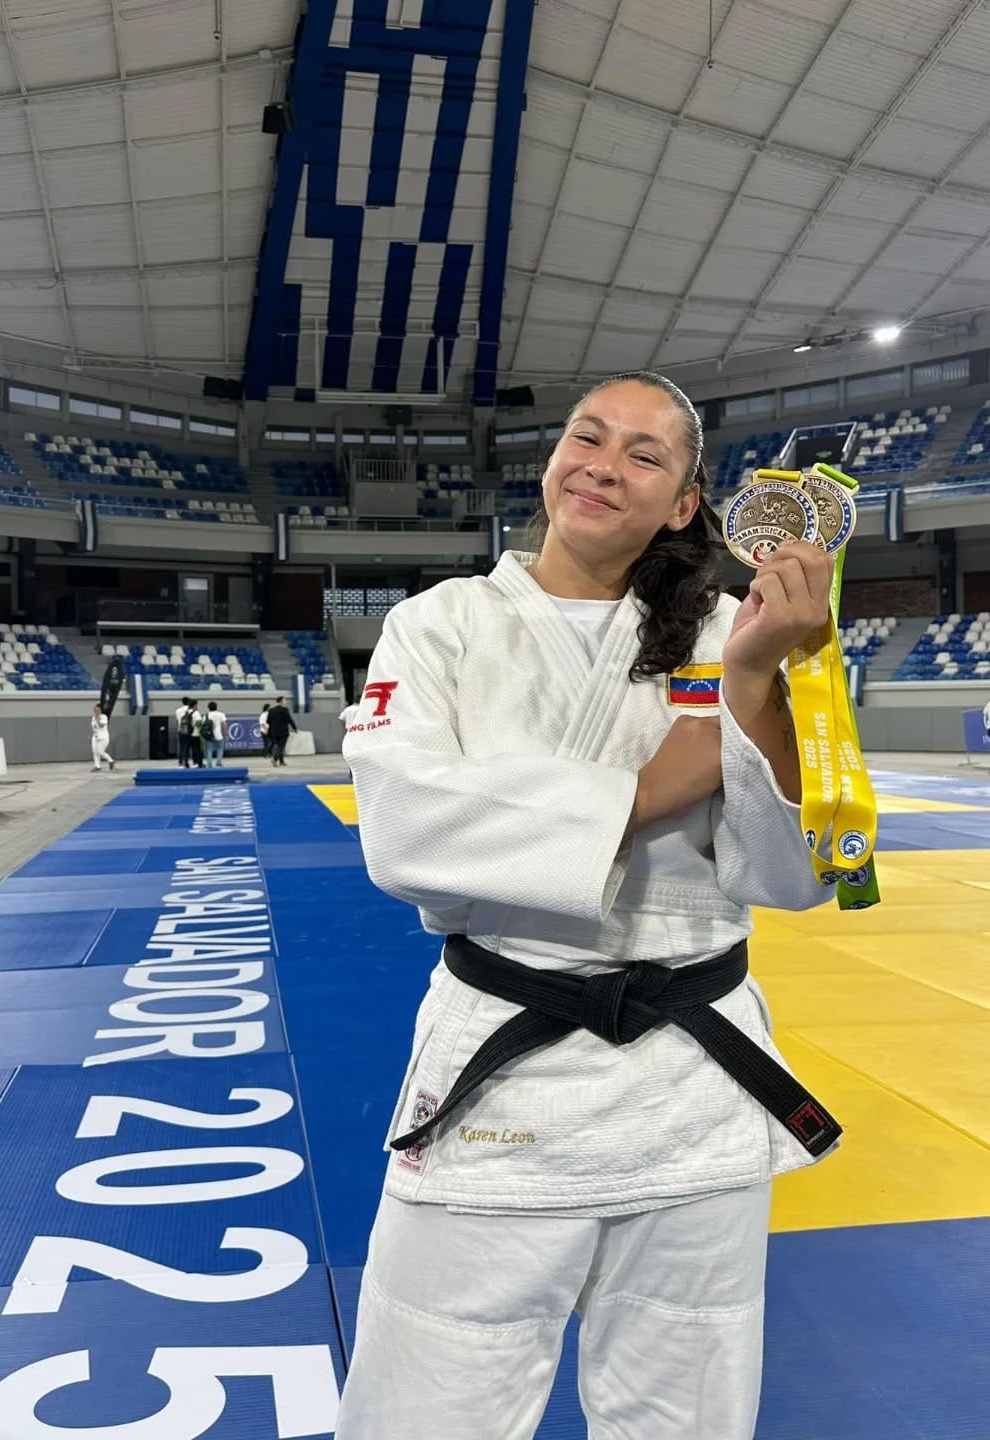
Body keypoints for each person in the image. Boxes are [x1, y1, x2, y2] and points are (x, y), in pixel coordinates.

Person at [334, 372, 839, 1440]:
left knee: (685, 1419)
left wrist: (751, 684)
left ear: (687, 501)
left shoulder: (729, 634)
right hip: (502, 1083)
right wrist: (665, 778)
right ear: (554, 457)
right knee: (423, 1411)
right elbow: (408, 831)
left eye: (645, 455)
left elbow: (790, 877)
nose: (603, 465)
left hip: (691, 1094)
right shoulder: (440, 626)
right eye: (587, 437)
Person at [266, 695, 297, 766]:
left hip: (274, 732)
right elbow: (289, 719)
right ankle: (275, 758)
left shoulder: (271, 710)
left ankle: (282, 761)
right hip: (283, 731)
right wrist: (295, 728)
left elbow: (268, 721)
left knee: (279, 746)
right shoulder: (284, 709)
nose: (285, 702)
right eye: (285, 700)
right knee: (281, 746)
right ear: (281, 701)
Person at [90, 703, 115, 772]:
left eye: (98, 710)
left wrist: (98, 719)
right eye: (95, 710)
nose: (96, 712)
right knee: (95, 751)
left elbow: (101, 725)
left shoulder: (104, 717)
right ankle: (97, 766)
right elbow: (94, 728)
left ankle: (111, 761)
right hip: (95, 737)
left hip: (103, 737)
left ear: (100, 711)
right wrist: (92, 736)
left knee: (100, 751)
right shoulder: (93, 718)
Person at [203, 700, 227, 767]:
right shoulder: (221, 714)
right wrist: (226, 734)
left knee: (209, 750)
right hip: (219, 735)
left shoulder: (206, 715)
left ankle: (210, 764)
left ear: (208, 708)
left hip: (209, 735)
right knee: (220, 749)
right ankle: (218, 763)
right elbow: (224, 725)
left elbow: (203, 726)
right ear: (216, 707)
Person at [176, 697, 195, 767]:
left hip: (180, 730)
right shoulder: (191, 710)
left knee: (181, 747)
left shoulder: (178, 710)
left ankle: (180, 762)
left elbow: (178, 720)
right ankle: (187, 761)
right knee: (188, 747)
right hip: (189, 730)